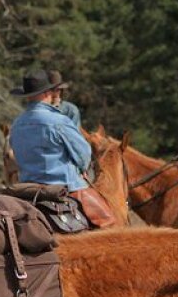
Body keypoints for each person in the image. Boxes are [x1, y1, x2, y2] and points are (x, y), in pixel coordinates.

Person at [9, 69, 118, 228]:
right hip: (66, 187)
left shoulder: (17, 124)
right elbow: (84, 154)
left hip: (27, 188)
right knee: (110, 223)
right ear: (47, 93)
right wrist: (82, 168)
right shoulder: (59, 121)